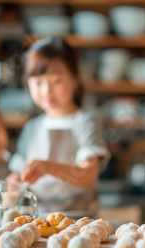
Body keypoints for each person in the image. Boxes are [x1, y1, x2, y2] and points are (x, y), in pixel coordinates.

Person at [8, 37, 110, 217]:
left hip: (79, 221)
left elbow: (88, 175)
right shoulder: (31, 127)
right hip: (37, 219)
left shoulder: (86, 121)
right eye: (38, 83)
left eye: (56, 81)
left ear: (75, 79)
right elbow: (18, 171)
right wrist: (14, 182)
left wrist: (47, 167)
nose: (46, 91)